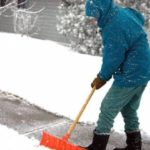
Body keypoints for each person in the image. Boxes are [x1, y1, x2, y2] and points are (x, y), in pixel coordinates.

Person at [83, 0, 150, 150]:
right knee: (128, 109)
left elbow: (113, 57)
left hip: (132, 72)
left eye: (94, 15)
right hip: (144, 69)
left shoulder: (113, 27)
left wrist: (102, 77)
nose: (93, 20)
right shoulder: (120, 13)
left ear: (101, 10)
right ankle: (134, 145)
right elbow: (138, 18)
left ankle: (98, 146)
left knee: (107, 108)